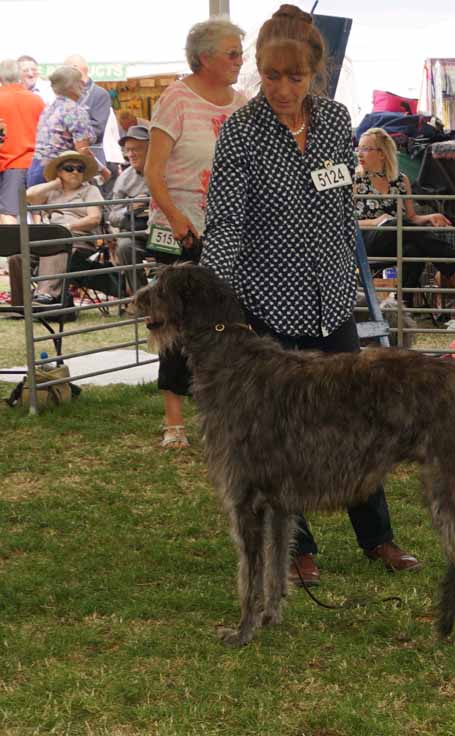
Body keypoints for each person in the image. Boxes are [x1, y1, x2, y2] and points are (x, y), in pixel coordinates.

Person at [202, 4, 421, 587]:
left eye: (293, 77)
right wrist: (219, 303)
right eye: (270, 75)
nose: (281, 88)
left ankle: (378, 536)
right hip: (265, 307)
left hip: (330, 300)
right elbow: (224, 223)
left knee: (356, 421)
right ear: (258, 70)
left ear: (315, 73)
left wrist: (357, 281)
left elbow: (338, 208)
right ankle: (297, 546)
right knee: (280, 432)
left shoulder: (334, 121)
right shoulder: (241, 134)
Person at [144, 18, 246, 450]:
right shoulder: (176, 99)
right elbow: (153, 171)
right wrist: (175, 217)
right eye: (232, 53)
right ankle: (174, 420)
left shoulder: (243, 103)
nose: (240, 61)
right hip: (180, 231)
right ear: (205, 58)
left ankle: (225, 410)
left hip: (228, 231)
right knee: (175, 320)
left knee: (228, 320)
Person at [355, 127, 455, 303]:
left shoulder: (401, 181)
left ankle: (403, 304)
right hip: (364, 241)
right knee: (396, 225)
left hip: (396, 237)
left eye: (365, 149)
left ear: (382, 154)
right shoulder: (354, 181)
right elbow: (344, 222)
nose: (359, 153)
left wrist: (430, 217)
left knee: (412, 249)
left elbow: (412, 219)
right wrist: (377, 221)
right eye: (359, 148)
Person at [8, 150, 103, 305]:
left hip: (79, 240)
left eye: (80, 169)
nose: (75, 172)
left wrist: (67, 227)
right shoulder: (51, 191)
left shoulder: (90, 190)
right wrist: (55, 183)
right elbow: (27, 196)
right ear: (59, 172)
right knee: (17, 257)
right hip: (49, 239)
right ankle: (20, 305)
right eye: (69, 168)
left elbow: (94, 218)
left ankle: (45, 295)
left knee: (54, 245)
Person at [28, 66, 96, 186]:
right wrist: (100, 170)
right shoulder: (75, 110)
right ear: (71, 86)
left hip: (35, 169)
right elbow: (83, 150)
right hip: (58, 172)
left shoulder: (49, 108)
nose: (83, 85)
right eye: (79, 81)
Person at [0, 59, 45, 224]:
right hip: (36, 164)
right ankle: (41, 248)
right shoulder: (37, 100)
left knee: (7, 214)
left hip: (9, 164)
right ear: (19, 76)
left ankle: (12, 250)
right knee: (36, 213)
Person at [107, 124, 150, 294]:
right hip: (137, 233)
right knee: (125, 247)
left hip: (165, 230)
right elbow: (113, 216)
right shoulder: (124, 179)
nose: (130, 154)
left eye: (136, 149)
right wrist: (129, 208)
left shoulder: (170, 170)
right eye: (127, 150)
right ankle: (144, 299)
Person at [64, 55, 112, 167]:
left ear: (75, 69)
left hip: (91, 157)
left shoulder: (99, 94)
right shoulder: (67, 94)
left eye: (65, 71)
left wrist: (67, 133)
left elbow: (97, 128)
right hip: (69, 157)